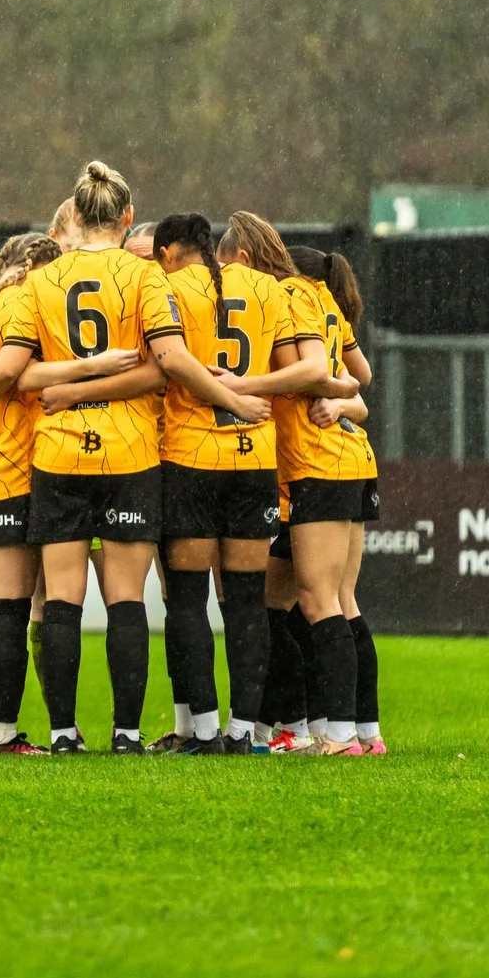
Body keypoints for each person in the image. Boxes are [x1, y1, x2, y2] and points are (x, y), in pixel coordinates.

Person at [0, 163, 267, 753]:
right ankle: (127, 733)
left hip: (59, 450)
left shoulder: (42, 281)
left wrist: (73, 385)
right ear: (128, 217)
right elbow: (165, 362)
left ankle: (63, 734)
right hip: (131, 452)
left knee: (59, 597)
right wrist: (233, 399)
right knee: (127, 599)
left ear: (76, 216)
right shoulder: (144, 279)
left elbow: (18, 373)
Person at [146, 212, 330, 753]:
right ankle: (244, 731)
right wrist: (249, 389)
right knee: (248, 603)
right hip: (254, 455)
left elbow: (165, 366)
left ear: (176, 253)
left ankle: (200, 731)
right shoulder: (269, 290)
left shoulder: (169, 287)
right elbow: (303, 369)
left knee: (186, 599)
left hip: (191, 454)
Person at [0, 231, 115, 753]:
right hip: (6, 466)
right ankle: (4, 732)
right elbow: (16, 376)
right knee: (9, 609)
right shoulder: (22, 301)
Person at [282, 244, 383, 756]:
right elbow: (361, 382)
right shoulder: (329, 306)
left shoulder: (292, 299)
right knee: (342, 601)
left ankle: (338, 735)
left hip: (318, 464)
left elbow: (332, 378)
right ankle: (365, 731)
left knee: (317, 602)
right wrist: (342, 396)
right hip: (354, 460)